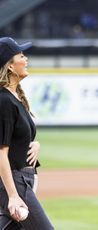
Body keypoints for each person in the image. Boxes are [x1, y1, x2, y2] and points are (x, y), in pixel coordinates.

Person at [0, 37, 54, 229]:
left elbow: (18, 138)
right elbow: (1, 153)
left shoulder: (16, 97)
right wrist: (13, 195)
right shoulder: (4, 101)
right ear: (10, 67)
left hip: (23, 179)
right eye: (21, 55)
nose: (26, 59)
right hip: (15, 182)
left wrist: (34, 143)